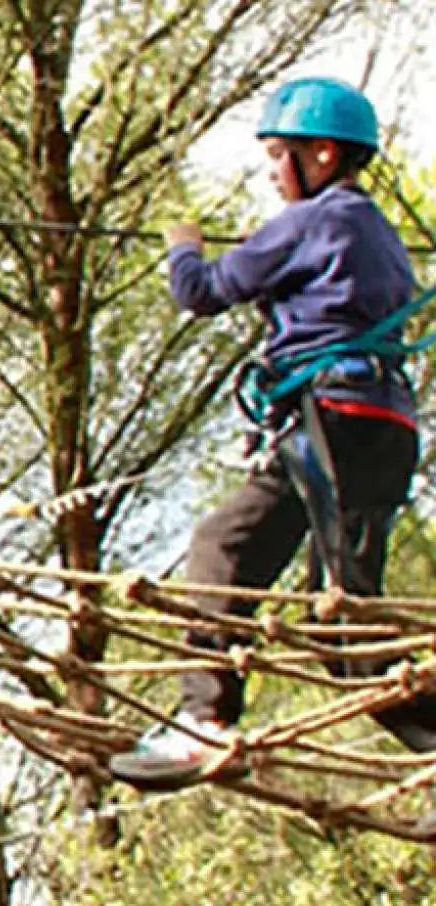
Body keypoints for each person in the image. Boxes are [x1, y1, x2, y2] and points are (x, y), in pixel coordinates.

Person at [109, 77, 436, 790]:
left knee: (220, 544)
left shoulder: (316, 220)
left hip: (331, 425)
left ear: (321, 154)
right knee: (343, 632)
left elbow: (200, 292)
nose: (271, 170)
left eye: (278, 154)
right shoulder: (378, 233)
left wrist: (183, 247)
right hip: (383, 426)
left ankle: (205, 720)